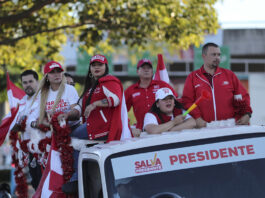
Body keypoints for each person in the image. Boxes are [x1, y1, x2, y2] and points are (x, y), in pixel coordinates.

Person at [60, 54, 131, 195]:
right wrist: (67, 114)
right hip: (94, 127)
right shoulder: (92, 87)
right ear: (90, 68)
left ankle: (76, 179)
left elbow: (115, 99)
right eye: (94, 65)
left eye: (100, 64)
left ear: (106, 66)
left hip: (104, 128)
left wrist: (95, 104)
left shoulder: (110, 81)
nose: (97, 67)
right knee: (68, 137)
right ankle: (78, 178)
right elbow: (79, 107)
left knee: (70, 138)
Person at [182, 42, 252, 128]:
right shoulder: (193, 77)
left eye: (219, 55)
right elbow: (187, 101)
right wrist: (197, 118)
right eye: (213, 55)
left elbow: (243, 96)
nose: (217, 58)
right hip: (204, 129)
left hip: (230, 129)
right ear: (204, 56)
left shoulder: (229, 75)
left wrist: (247, 114)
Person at [125, 58, 177, 135]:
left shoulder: (162, 85)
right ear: (137, 71)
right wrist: (128, 127)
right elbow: (121, 112)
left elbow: (176, 101)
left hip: (163, 129)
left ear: (152, 71)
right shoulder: (130, 90)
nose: (146, 70)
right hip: (142, 132)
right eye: (143, 68)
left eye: (149, 68)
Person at [10, 70, 42, 190]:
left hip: (45, 149)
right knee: (36, 184)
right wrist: (12, 125)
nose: (28, 85)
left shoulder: (45, 98)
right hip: (29, 151)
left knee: (45, 185)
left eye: (30, 81)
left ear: (37, 82)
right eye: (24, 82)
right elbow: (17, 124)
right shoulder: (22, 102)